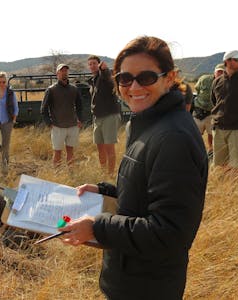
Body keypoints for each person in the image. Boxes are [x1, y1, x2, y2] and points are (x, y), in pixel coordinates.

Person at [59, 36, 208, 300]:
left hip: (147, 286)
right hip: (132, 277)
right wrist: (105, 191)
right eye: (125, 79)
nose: (134, 86)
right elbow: (148, 196)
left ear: (170, 78)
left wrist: (98, 226)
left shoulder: (173, 137)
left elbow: (169, 232)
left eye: (147, 77)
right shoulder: (149, 124)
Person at [41, 64, 83, 166]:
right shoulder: (51, 90)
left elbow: (80, 106)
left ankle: (71, 176)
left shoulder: (74, 89)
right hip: (57, 126)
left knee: (71, 152)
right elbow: (43, 109)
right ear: (57, 74)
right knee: (57, 153)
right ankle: (57, 178)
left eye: (66, 71)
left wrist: (80, 120)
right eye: (61, 71)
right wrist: (49, 123)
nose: (64, 73)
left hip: (72, 126)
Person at [87, 55, 121, 174]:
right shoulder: (92, 80)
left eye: (94, 63)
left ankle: (110, 175)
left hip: (109, 116)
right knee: (99, 147)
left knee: (109, 148)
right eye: (90, 64)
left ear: (99, 64)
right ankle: (103, 172)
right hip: (97, 117)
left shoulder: (105, 76)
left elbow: (110, 80)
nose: (92, 66)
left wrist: (105, 70)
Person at [210, 50, 238, 171]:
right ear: (227, 61)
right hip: (219, 128)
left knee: (236, 165)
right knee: (219, 164)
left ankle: (234, 189)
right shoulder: (217, 81)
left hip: (237, 129)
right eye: (237, 59)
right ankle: (223, 188)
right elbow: (214, 102)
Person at [193, 63, 225, 155]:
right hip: (199, 111)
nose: (220, 74)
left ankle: (210, 151)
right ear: (214, 72)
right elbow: (197, 88)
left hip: (212, 114)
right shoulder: (204, 79)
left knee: (211, 134)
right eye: (219, 71)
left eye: (223, 72)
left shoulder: (226, 83)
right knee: (196, 134)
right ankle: (196, 151)